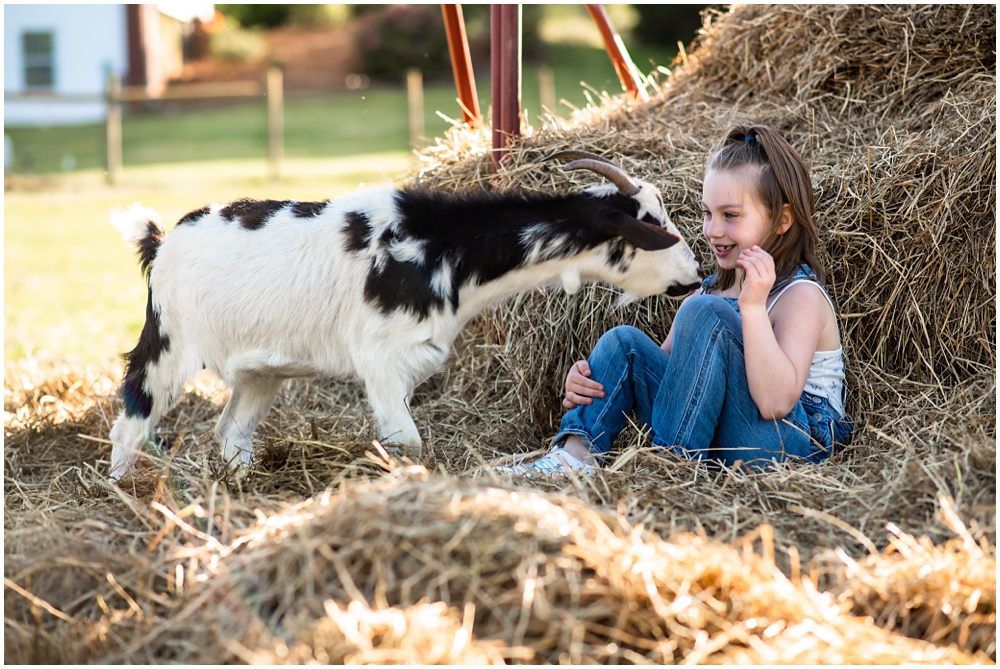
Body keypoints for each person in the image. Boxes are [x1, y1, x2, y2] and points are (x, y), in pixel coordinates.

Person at [501, 124, 854, 476]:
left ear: (782, 220)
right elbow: (678, 386)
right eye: (707, 213)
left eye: (730, 215)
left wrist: (752, 307)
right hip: (720, 438)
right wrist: (593, 382)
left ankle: (672, 470)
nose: (712, 230)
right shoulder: (708, 293)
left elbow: (775, 403)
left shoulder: (799, 297)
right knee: (623, 344)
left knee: (705, 313)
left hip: (790, 446)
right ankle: (572, 459)